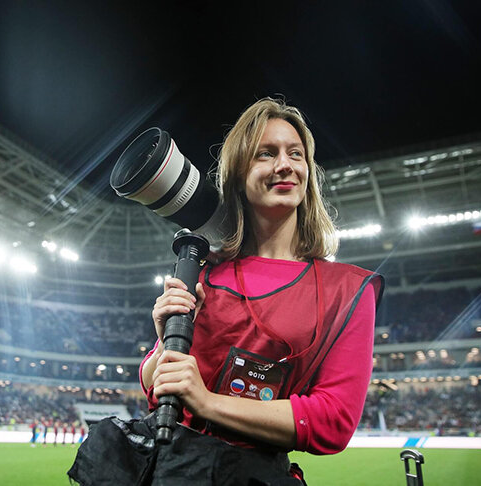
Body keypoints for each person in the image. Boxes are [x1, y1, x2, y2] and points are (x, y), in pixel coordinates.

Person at [138, 98, 383, 481]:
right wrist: (166, 341)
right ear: (238, 175)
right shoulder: (204, 273)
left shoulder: (348, 290)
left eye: (295, 154)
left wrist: (207, 402)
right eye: (265, 154)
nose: (284, 165)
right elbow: (154, 387)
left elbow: (333, 420)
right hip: (169, 470)